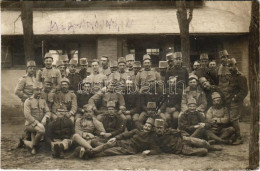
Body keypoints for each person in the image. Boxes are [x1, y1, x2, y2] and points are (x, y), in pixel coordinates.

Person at [78, 118, 160, 159]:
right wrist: (115, 138)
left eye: (149, 127)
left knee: (108, 151)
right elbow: (125, 134)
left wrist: (149, 151)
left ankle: (90, 153)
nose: (146, 128)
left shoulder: (151, 138)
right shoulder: (136, 130)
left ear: (151, 129)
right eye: (146, 125)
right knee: (105, 143)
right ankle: (90, 151)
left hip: (130, 149)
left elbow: (156, 149)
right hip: (123, 142)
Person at [153, 119, 221, 157]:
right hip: (182, 149)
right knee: (204, 151)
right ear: (154, 128)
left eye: (161, 128)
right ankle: (207, 147)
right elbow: (156, 149)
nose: (159, 130)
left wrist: (186, 137)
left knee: (203, 143)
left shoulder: (168, 131)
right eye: (157, 128)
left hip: (184, 140)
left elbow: (180, 131)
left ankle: (210, 146)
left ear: (163, 128)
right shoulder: (154, 138)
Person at [19, 82, 51, 154]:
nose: (39, 92)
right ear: (33, 90)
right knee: (41, 130)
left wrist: (45, 118)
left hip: (41, 123)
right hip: (30, 124)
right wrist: (37, 123)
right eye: (37, 90)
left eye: (40, 90)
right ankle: (35, 147)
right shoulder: (28, 101)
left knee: (44, 129)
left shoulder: (43, 100)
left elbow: (48, 111)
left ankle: (25, 142)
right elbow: (27, 115)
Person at [226, 58, 248, 145]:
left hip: (236, 101)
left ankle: (239, 137)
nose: (230, 68)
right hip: (230, 101)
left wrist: (235, 98)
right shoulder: (231, 76)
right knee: (232, 119)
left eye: (231, 65)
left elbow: (244, 91)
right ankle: (235, 136)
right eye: (228, 66)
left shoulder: (241, 77)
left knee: (234, 119)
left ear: (236, 65)